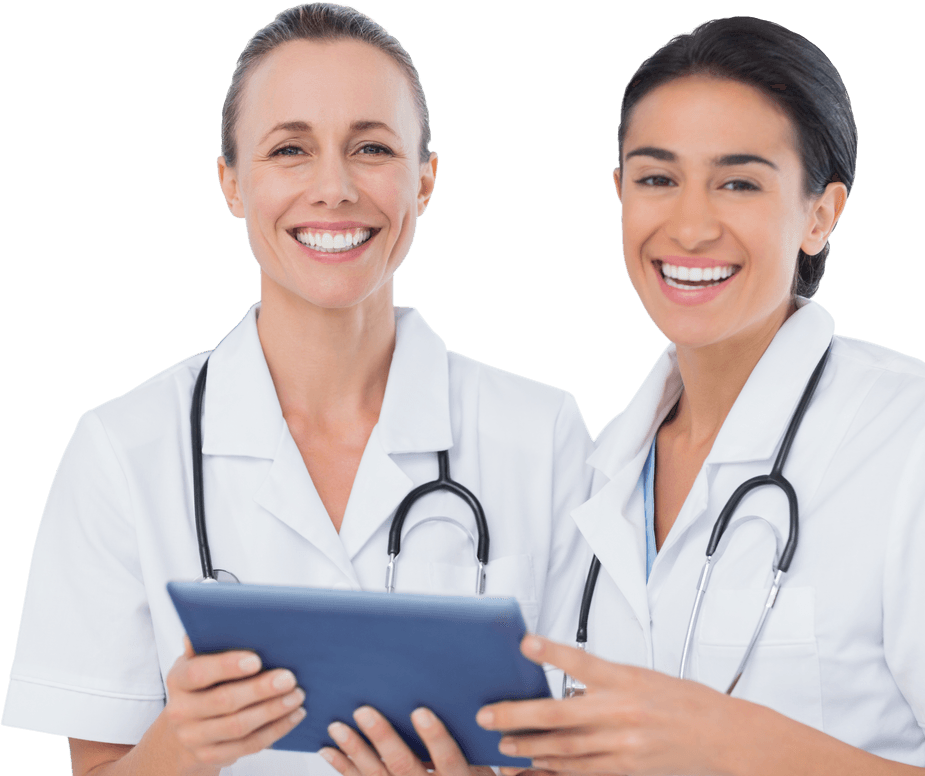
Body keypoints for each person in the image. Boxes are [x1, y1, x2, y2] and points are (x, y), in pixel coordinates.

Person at [473, 16, 925, 776]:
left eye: (739, 182)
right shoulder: (599, 471)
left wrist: (734, 747)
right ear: (621, 194)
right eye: (657, 178)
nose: (690, 226)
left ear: (820, 215)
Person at [0, 4, 591, 775]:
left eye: (372, 147)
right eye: (290, 149)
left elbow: (601, 748)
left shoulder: (542, 435)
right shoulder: (122, 449)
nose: (334, 187)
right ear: (232, 184)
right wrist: (183, 743)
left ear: (425, 182)